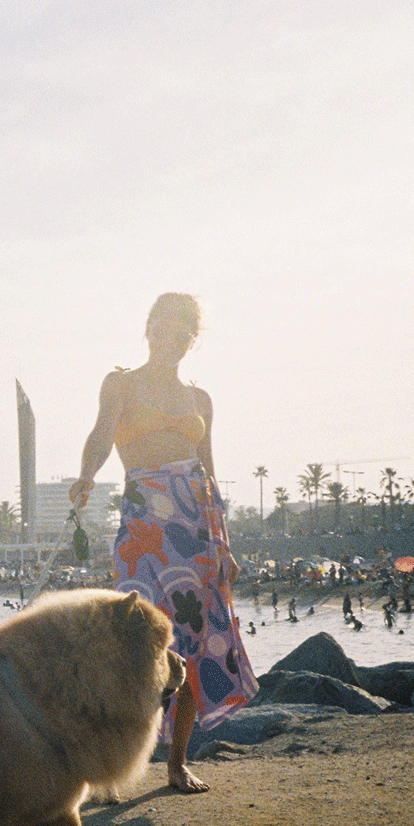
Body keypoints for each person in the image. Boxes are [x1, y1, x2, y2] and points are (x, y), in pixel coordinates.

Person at [69, 293, 258, 793]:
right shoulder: (120, 384)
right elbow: (101, 435)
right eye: (162, 330)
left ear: (192, 341)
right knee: (132, 641)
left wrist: (225, 544)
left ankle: (177, 763)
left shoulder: (201, 399)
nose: (169, 341)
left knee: (193, 643)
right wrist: (87, 474)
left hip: (197, 524)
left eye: (182, 335)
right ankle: (109, 766)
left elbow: (209, 470)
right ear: (148, 327)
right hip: (145, 522)